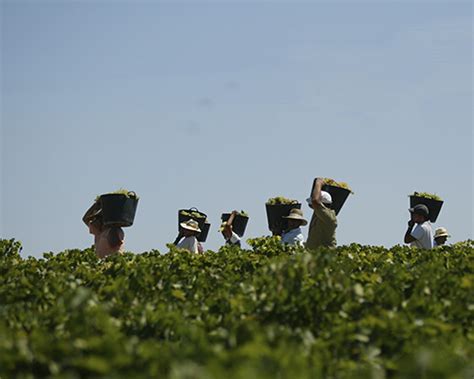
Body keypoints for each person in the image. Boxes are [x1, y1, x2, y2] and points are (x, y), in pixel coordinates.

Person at [306, 178, 337, 249]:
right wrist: (315, 182)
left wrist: (318, 183)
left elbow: (315, 201)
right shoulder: (318, 214)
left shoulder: (329, 216)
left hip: (324, 257)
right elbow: (313, 202)